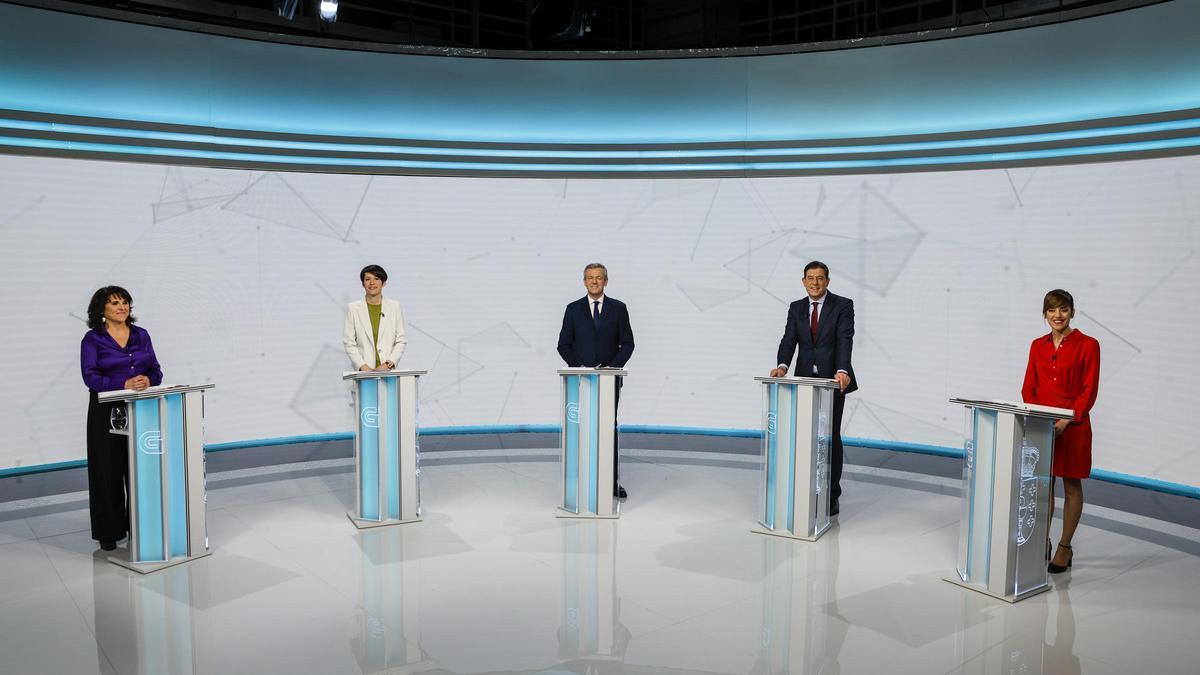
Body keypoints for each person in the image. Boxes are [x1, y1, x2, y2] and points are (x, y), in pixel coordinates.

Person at [1021, 289, 1100, 574]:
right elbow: (1028, 385)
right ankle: (1042, 540)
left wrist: (1067, 420)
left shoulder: (1089, 345)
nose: (1058, 315)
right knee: (1043, 485)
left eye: (1064, 309)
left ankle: (1065, 548)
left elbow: (1089, 389)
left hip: (1074, 426)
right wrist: (1036, 417)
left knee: (1070, 484)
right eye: (1052, 310)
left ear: (1072, 312)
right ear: (1045, 314)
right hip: (1043, 424)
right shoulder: (1037, 345)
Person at [80, 286, 163, 551]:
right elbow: (90, 377)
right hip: (106, 411)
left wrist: (148, 379)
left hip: (141, 408)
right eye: (114, 303)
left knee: (140, 470)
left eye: (125, 302)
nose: (121, 307)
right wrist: (123, 382)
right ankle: (109, 531)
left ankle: (141, 526)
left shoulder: (142, 335)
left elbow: (156, 370)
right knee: (108, 471)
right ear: (101, 309)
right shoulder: (92, 339)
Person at [771, 261, 856, 516]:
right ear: (803, 281)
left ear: (827, 281)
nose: (815, 283)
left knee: (830, 438)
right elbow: (788, 339)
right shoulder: (796, 308)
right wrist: (782, 366)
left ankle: (831, 496)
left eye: (820, 278)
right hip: (804, 381)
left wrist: (842, 370)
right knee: (805, 437)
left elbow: (845, 339)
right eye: (810, 278)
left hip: (833, 382)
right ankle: (807, 490)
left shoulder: (843, 305)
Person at [557, 263, 635, 498]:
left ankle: (611, 482)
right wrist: (578, 367)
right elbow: (563, 344)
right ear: (584, 281)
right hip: (580, 380)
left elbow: (628, 344)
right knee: (582, 430)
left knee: (607, 430)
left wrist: (612, 367)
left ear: (605, 281)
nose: (594, 281)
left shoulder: (619, 308)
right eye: (590, 278)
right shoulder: (572, 309)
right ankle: (581, 481)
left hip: (609, 381)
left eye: (598, 278)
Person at [344, 264, 408, 371]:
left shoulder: (394, 307)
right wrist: (362, 366)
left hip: (387, 371)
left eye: (376, 279)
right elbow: (349, 342)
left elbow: (401, 340)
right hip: (364, 372)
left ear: (383, 283)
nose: (372, 283)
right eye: (367, 279)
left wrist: (388, 364)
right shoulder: (353, 308)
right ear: (363, 284)